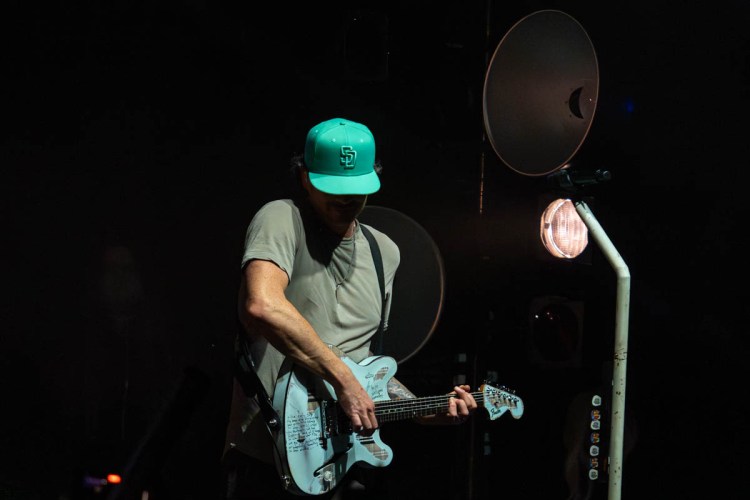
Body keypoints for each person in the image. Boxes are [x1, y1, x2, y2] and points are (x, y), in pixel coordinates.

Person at [220, 117, 477, 499]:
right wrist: (344, 380)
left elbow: (365, 365)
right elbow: (263, 305)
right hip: (266, 457)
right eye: (333, 188)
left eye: (355, 189)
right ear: (305, 177)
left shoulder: (384, 252)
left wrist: (421, 410)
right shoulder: (281, 218)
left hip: (340, 465)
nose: (345, 200)